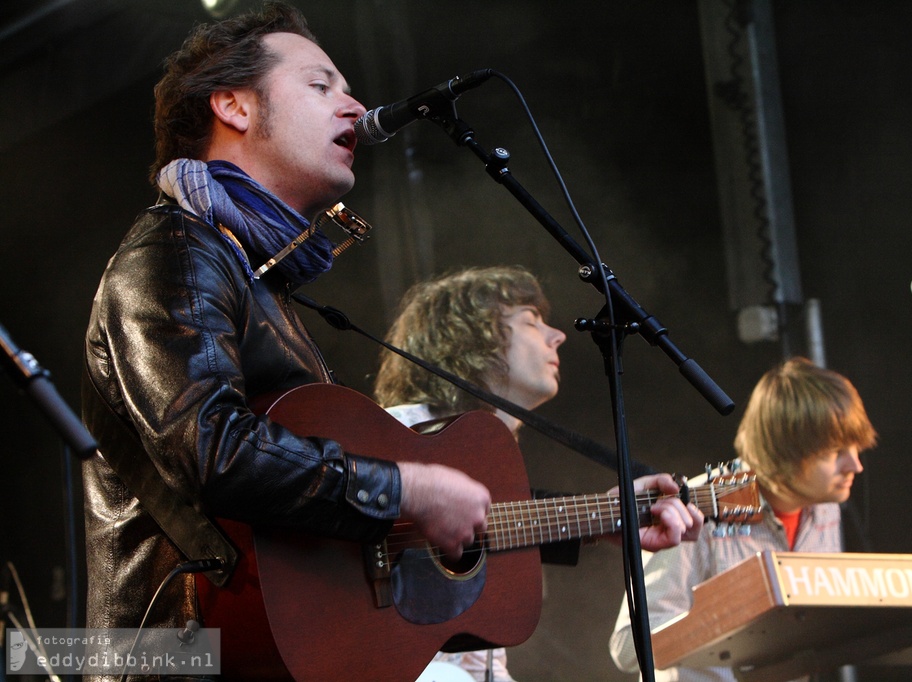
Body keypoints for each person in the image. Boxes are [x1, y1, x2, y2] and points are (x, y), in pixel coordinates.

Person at [80, 3, 494, 677]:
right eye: (320, 84)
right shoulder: (175, 253)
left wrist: (616, 516)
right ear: (234, 108)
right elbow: (211, 449)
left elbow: (304, 510)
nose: (355, 106)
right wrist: (402, 489)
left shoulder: (253, 276)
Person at [374, 265, 705, 682]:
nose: (558, 335)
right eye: (531, 322)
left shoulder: (496, 460)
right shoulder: (399, 433)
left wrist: (610, 513)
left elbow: (473, 657)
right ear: (469, 336)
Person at [608, 356, 878, 681]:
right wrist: (733, 622)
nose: (855, 466)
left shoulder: (825, 507)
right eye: (835, 452)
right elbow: (628, 646)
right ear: (786, 448)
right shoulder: (692, 507)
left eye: (856, 448)